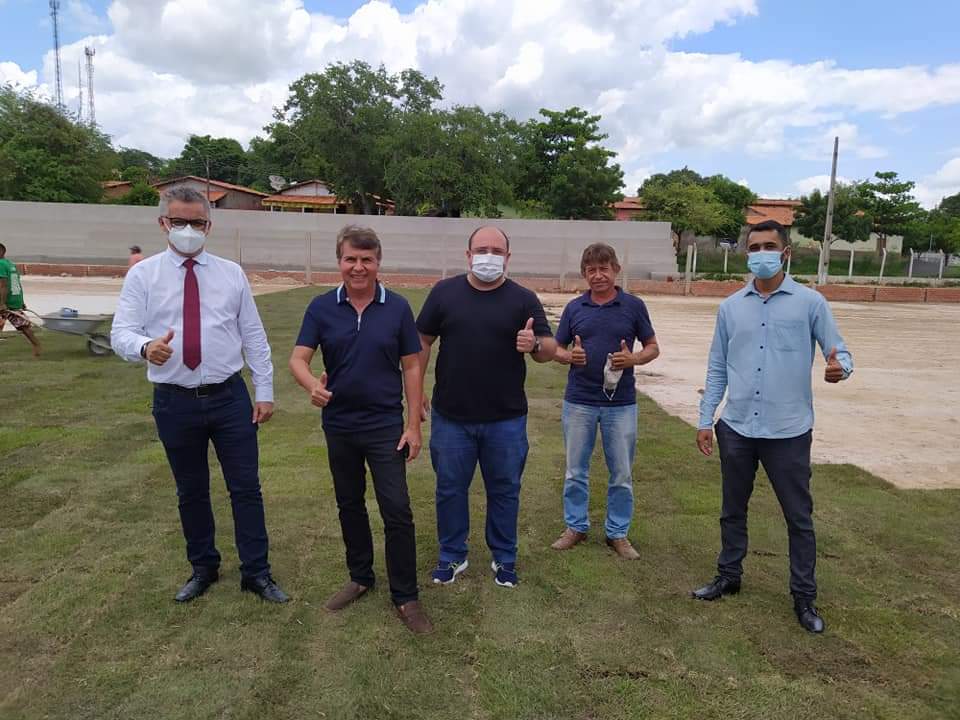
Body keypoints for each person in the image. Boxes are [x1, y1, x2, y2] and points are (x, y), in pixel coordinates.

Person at [111, 187, 289, 604]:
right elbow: (120, 332)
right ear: (163, 224)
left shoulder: (231, 274)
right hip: (174, 400)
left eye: (197, 223)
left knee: (246, 487)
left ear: (209, 226)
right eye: (179, 222)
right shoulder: (144, 275)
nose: (188, 230)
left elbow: (254, 337)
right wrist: (144, 347)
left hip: (229, 397)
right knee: (190, 490)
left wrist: (264, 390)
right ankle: (203, 567)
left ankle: (257, 573)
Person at [692, 219, 853, 634]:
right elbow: (716, 367)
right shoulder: (731, 307)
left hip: (788, 431)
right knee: (732, 509)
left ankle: (804, 597)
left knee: (798, 517)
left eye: (768, 246)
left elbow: (839, 352)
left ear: (785, 253)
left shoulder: (810, 303)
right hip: (738, 427)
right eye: (754, 246)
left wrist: (839, 369)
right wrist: (705, 419)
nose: (760, 253)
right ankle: (729, 576)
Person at [289, 225, 432, 634]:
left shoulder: (398, 307)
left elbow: (412, 365)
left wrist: (413, 426)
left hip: (385, 425)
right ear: (340, 262)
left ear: (377, 263)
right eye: (351, 259)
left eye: (366, 259)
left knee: (397, 509)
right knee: (349, 503)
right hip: (339, 425)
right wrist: (311, 385)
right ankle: (360, 577)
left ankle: (406, 596)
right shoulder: (321, 308)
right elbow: (299, 359)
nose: (358, 267)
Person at [417, 225, 557, 588]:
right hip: (452, 417)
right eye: (482, 249)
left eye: (497, 251)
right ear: (468, 255)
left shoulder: (523, 299)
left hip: (506, 419)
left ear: (508, 258)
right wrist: (414, 393)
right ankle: (452, 555)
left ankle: (505, 558)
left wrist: (533, 345)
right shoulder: (444, 294)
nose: (489, 257)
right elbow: (421, 343)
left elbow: (549, 350)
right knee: (449, 488)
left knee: (505, 489)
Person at [551, 243, 659, 559]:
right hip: (579, 401)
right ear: (584, 274)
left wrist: (634, 358)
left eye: (604, 269)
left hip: (621, 403)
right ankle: (575, 527)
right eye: (591, 270)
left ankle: (618, 533)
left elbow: (653, 346)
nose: (598, 276)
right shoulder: (574, 309)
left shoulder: (634, 306)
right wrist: (568, 355)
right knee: (575, 470)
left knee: (622, 472)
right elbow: (556, 348)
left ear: (616, 270)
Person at [0, 243, 41, 357]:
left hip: (7, 301)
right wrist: (21, 301)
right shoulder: (10, 264)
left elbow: (3, 286)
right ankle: (36, 345)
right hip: (15, 298)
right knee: (22, 325)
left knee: (23, 326)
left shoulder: (0, 265)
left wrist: (2, 303)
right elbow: (16, 283)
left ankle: (37, 345)